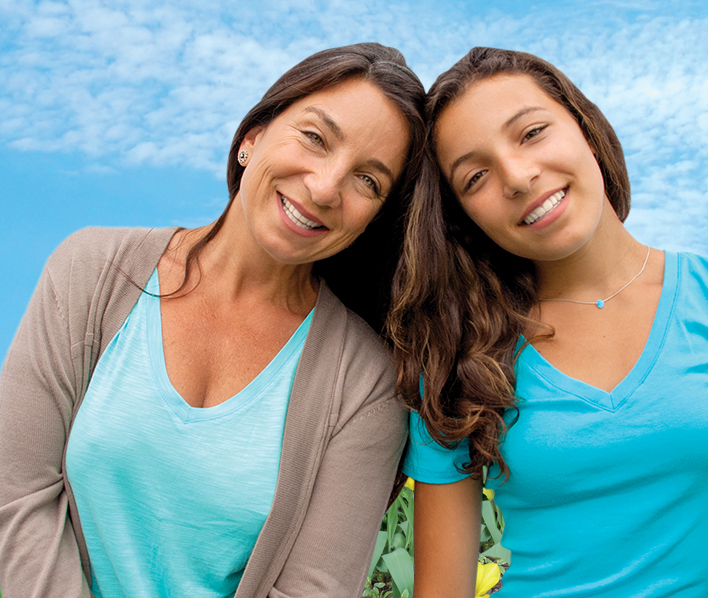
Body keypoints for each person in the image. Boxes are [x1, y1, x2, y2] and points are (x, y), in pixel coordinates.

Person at [0, 43, 425, 598]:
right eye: (315, 138)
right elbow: (15, 498)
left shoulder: (364, 382)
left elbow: (310, 589)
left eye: (368, 180)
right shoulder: (89, 270)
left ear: (377, 216)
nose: (325, 187)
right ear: (252, 139)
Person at [389, 47, 708, 597]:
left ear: (585, 128)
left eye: (532, 132)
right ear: (464, 218)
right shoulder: (459, 357)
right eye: (475, 176)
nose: (517, 176)